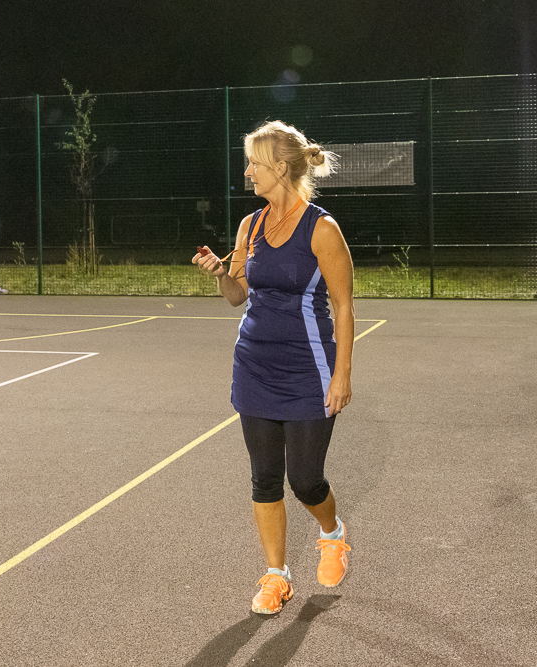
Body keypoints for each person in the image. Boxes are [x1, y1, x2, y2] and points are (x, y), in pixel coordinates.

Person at [194, 120, 355, 615]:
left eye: (255, 165)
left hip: (309, 370)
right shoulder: (251, 226)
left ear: (280, 168)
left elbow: (344, 307)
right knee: (264, 478)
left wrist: (342, 373)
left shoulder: (322, 229)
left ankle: (332, 533)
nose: (248, 173)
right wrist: (222, 275)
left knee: (305, 480)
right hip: (255, 366)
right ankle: (276, 576)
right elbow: (238, 296)